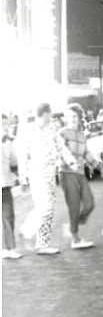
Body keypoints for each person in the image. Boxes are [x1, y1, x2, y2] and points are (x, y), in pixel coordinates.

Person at [17, 103, 78, 254]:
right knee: (45, 206)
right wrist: (23, 178)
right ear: (44, 113)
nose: (52, 116)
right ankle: (27, 230)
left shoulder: (52, 129)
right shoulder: (29, 130)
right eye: (50, 113)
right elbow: (23, 155)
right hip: (36, 172)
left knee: (49, 209)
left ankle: (43, 243)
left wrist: (71, 161)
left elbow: (61, 146)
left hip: (51, 171)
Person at [58, 103, 101, 249]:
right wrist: (70, 164)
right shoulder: (62, 133)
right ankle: (75, 239)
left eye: (75, 116)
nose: (72, 118)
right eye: (69, 116)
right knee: (74, 206)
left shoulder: (82, 135)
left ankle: (72, 225)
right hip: (67, 172)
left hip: (81, 173)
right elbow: (61, 152)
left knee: (89, 203)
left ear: (79, 117)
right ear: (65, 118)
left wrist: (98, 167)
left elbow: (86, 153)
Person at [2, 114, 21, 259]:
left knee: (8, 216)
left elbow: (14, 163)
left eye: (7, 125)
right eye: (2, 125)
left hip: (5, 185)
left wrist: (20, 175)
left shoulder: (8, 143)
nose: (5, 128)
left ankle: (9, 248)